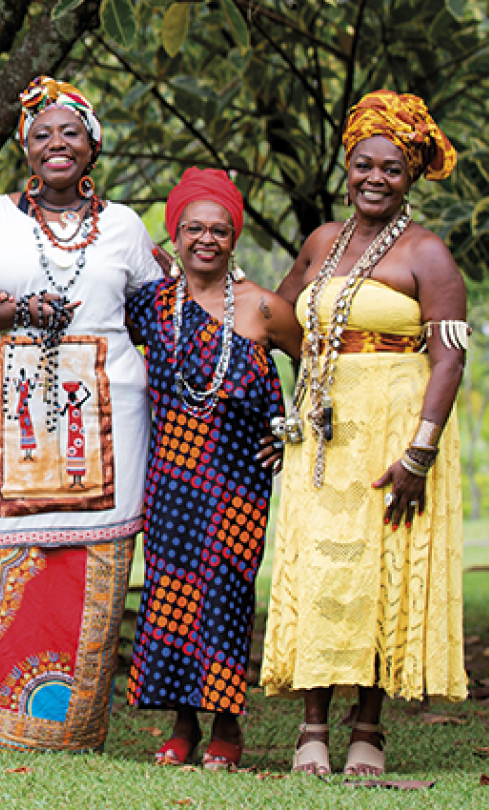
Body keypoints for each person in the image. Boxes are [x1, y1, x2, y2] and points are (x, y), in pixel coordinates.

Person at [0, 76, 162, 752]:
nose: (56, 144)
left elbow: (158, 316)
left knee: (89, 563)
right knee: (10, 563)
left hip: (105, 426)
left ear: (92, 146)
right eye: (41, 134)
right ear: (25, 150)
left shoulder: (123, 227)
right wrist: (14, 311)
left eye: (70, 133)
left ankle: (71, 727)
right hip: (10, 425)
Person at [262, 91, 467, 776]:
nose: (375, 179)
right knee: (323, 563)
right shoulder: (322, 241)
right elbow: (280, 313)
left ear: (411, 176)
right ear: (346, 166)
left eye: (393, 169)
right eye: (363, 165)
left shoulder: (428, 254)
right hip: (324, 433)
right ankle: (312, 726)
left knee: (380, 572)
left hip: (394, 427)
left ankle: (368, 730)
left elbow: (450, 357)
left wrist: (421, 448)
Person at [123, 168, 301, 769]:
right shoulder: (150, 306)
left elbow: (323, 365)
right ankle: (182, 724)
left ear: (234, 237)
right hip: (171, 478)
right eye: (193, 228)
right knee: (170, 596)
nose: (206, 239)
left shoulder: (265, 309)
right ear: (175, 233)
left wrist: (292, 433)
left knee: (224, 593)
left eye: (219, 230)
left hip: (237, 481)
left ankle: (227, 724)